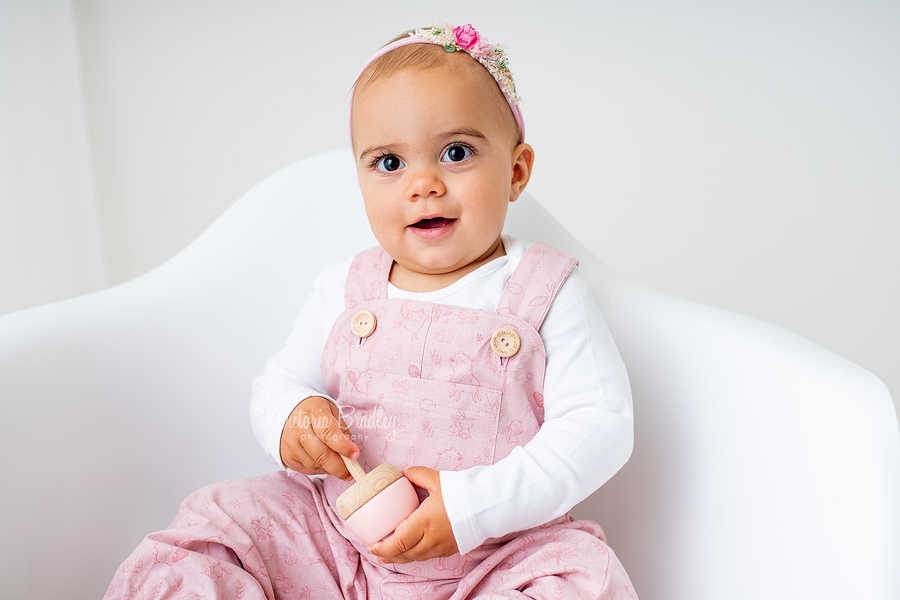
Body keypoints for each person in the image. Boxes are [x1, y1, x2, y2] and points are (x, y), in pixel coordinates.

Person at [105, 22, 638, 599]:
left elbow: (599, 426)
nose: (423, 184)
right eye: (389, 163)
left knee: (579, 581)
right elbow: (279, 379)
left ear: (515, 171)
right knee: (217, 527)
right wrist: (293, 415)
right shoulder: (346, 288)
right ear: (359, 176)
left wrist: (471, 507)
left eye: (455, 153)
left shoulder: (544, 289)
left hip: (496, 553)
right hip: (335, 544)